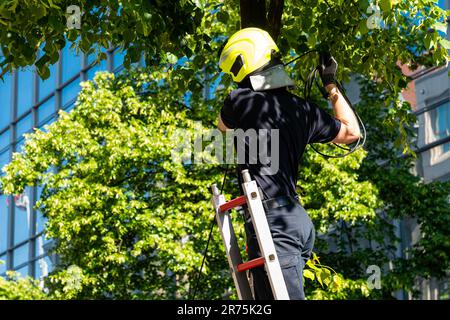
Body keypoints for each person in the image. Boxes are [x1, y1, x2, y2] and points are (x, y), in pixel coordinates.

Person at [217, 28, 361, 300]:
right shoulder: (303, 109)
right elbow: (351, 132)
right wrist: (330, 84)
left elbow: (223, 127)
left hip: (270, 223)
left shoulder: (239, 101)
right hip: (294, 220)